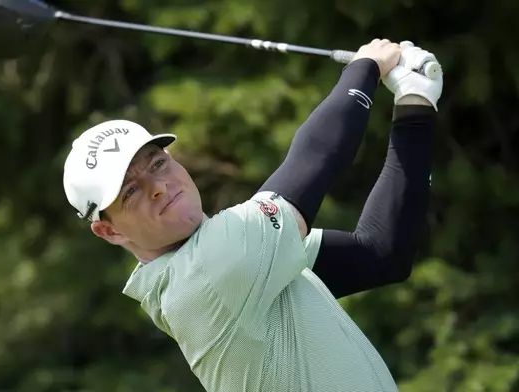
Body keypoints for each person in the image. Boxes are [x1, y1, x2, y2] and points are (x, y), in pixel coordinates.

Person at [62, 38, 443, 391]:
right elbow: (313, 161)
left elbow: (379, 253)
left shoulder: (242, 264)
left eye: (158, 164)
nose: (157, 186)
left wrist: (415, 106)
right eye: (130, 191)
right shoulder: (204, 273)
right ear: (109, 232)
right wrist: (367, 66)